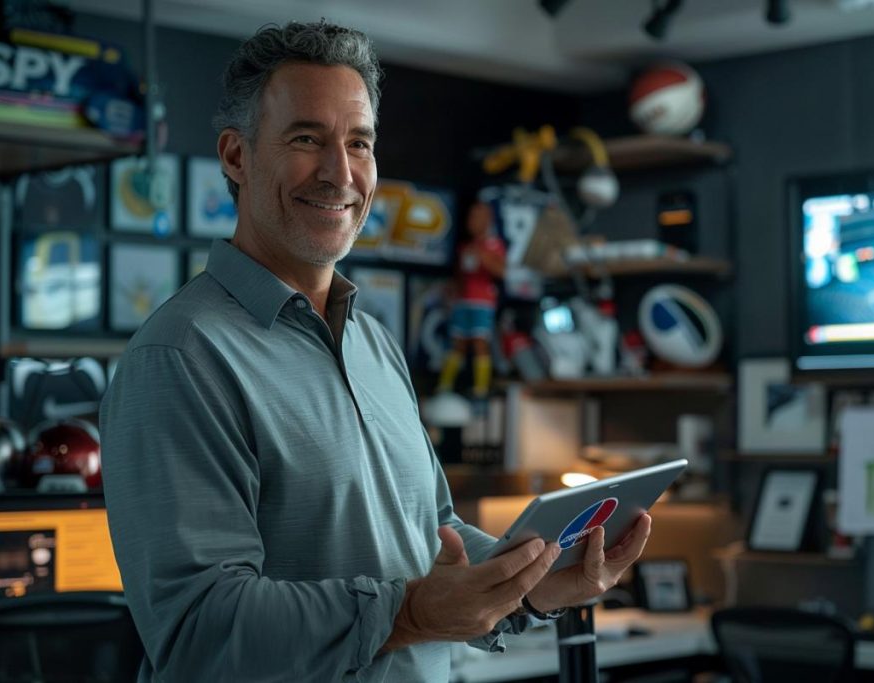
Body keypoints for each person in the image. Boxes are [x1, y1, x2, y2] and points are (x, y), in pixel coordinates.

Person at [100, 20, 651, 682]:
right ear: (236, 156)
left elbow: (431, 530)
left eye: (358, 142)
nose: (341, 173)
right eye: (306, 138)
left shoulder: (373, 341)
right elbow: (201, 630)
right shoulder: (179, 357)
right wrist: (412, 613)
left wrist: (531, 583)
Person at [436, 200, 506, 399]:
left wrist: (483, 256)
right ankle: (445, 384)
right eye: (471, 217)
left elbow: (502, 271)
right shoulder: (465, 247)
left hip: (482, 302)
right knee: (457, 343)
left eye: (477, 217)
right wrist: (452, 291)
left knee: (479, 342)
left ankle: (481, 387)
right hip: (462, 301)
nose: (472, 221)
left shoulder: (494, 245)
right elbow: (460, 275)